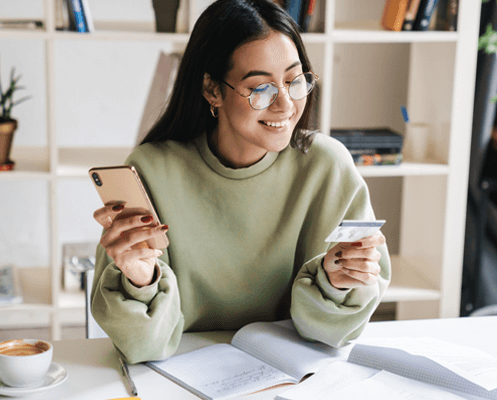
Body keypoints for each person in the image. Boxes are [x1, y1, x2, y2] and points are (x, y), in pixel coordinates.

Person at [91, 0, 391, 364]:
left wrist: (338, 282)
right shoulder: (152, 169)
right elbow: (144, 347)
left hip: (292, 374)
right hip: (181, 374)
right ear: (212, 90)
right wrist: (140, 279)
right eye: (260, 88)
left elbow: (331, 337)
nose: (285, 105)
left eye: (295, 81)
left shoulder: (328, 167)